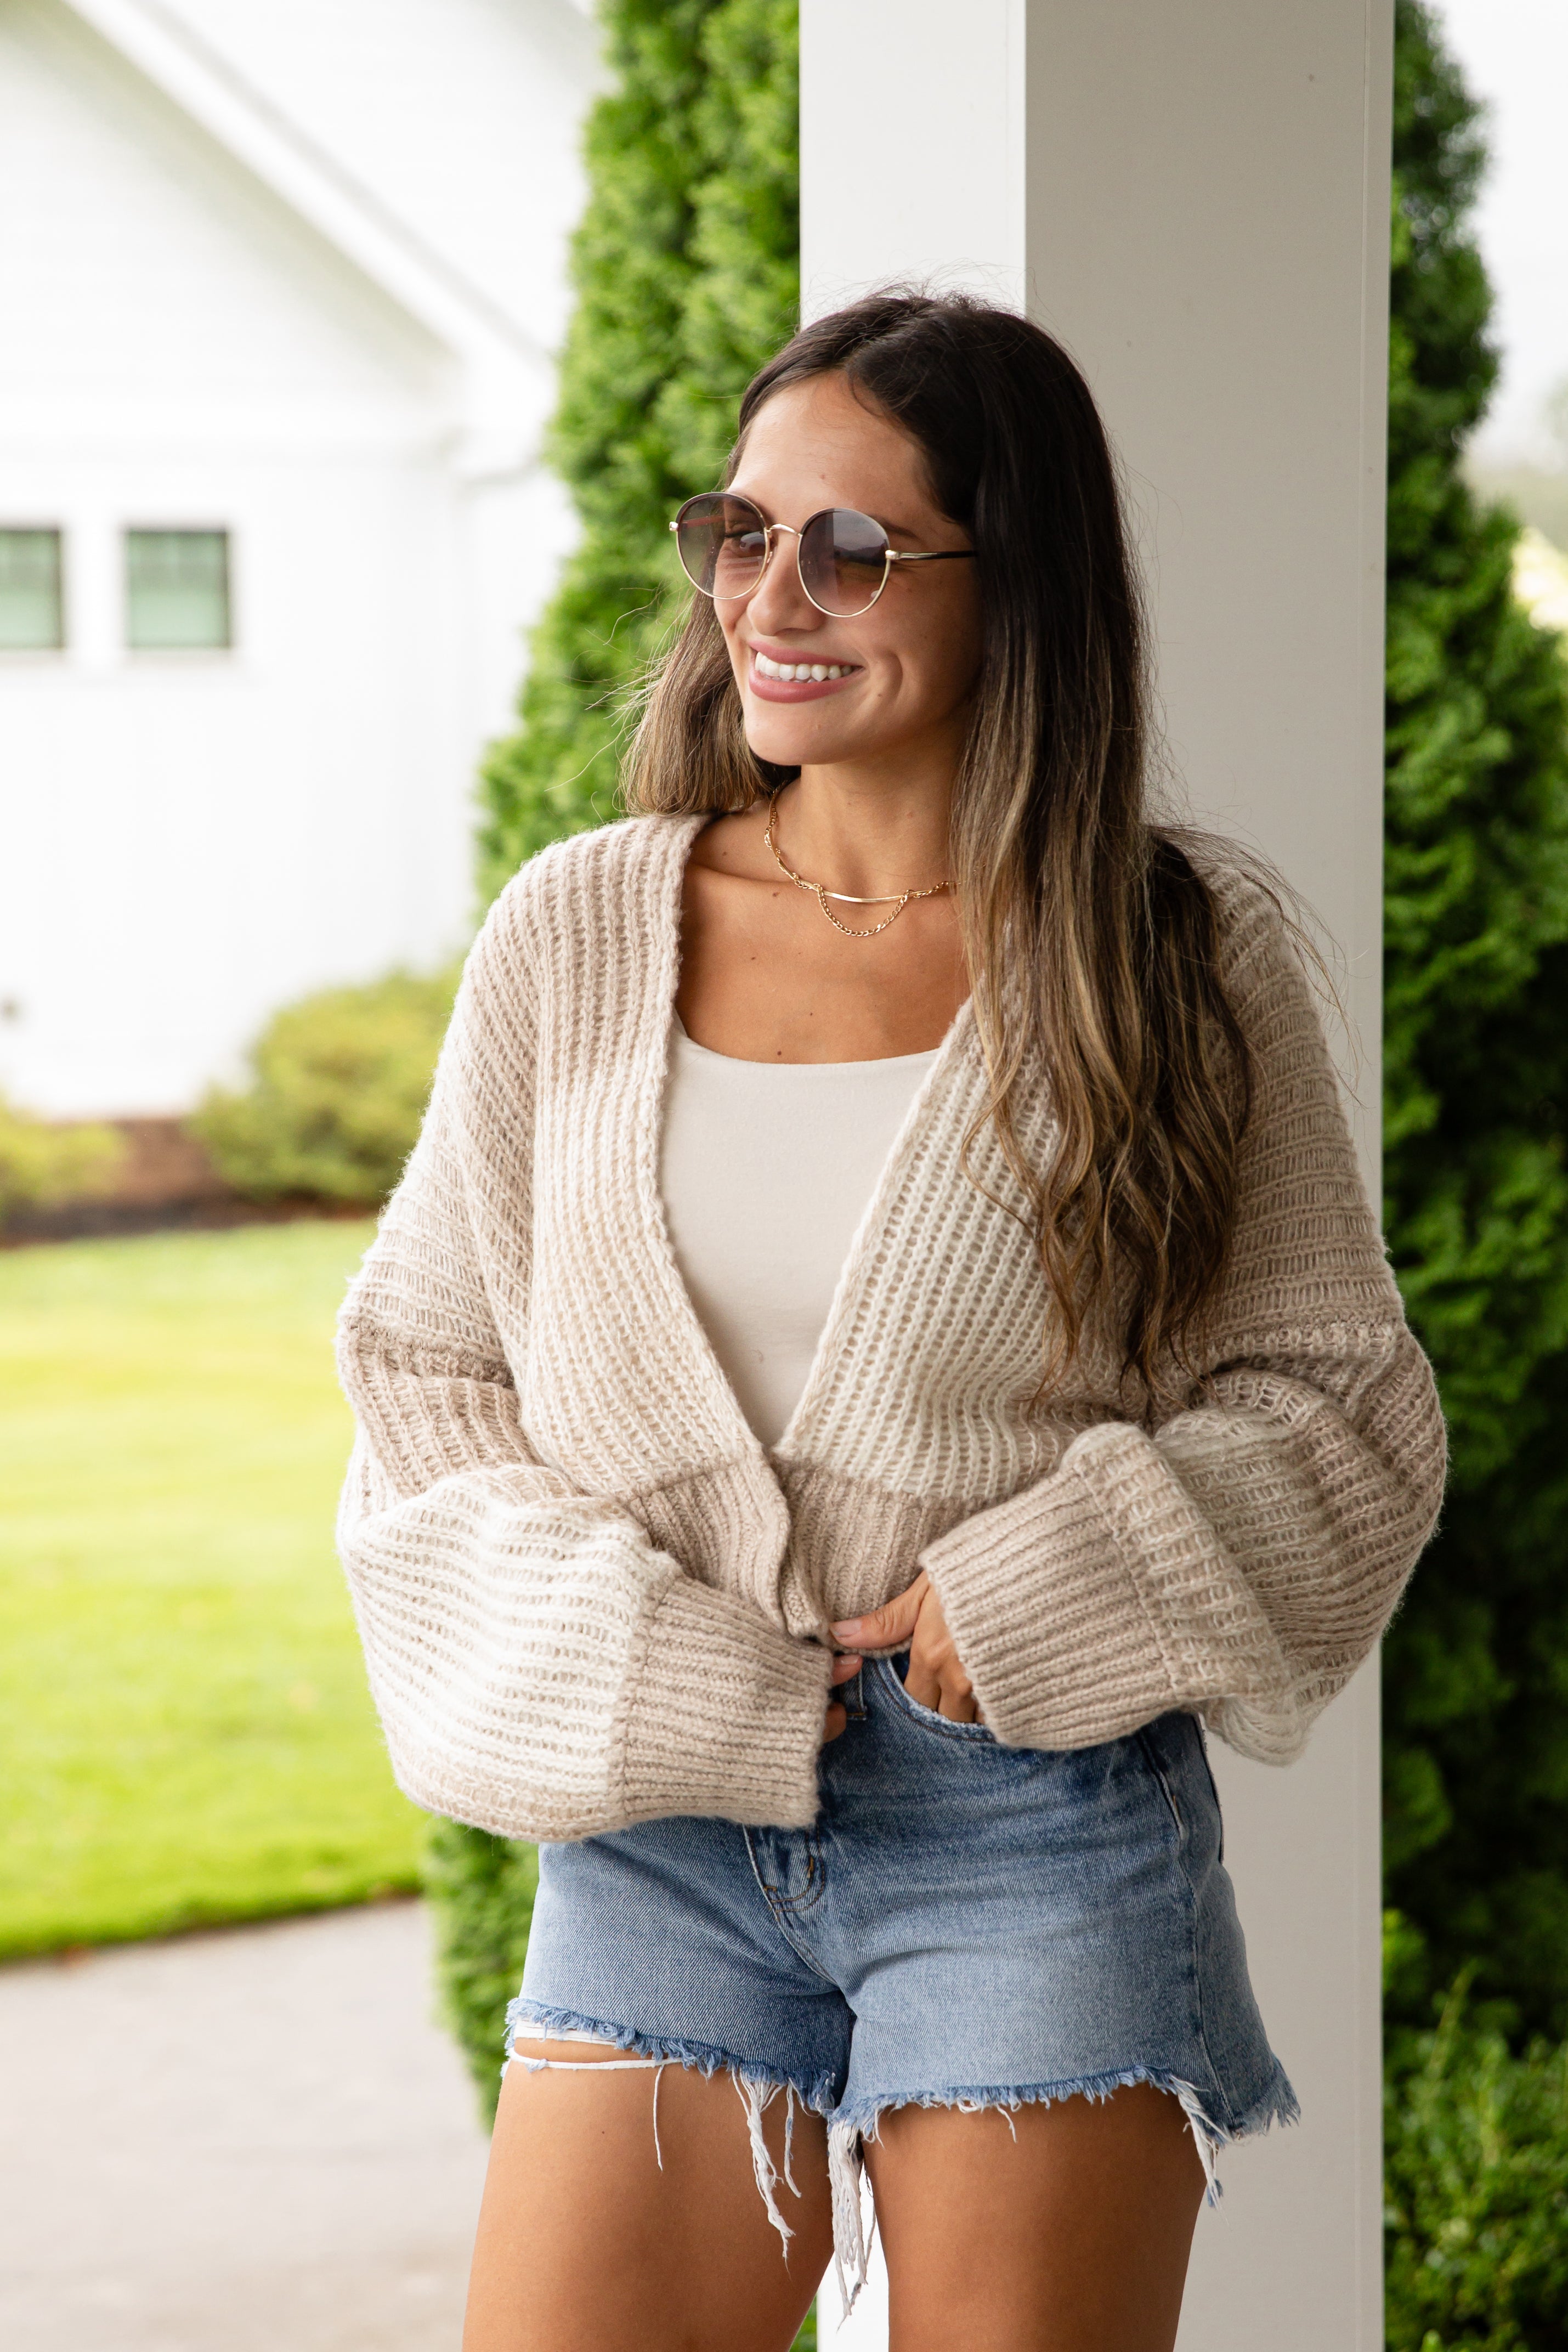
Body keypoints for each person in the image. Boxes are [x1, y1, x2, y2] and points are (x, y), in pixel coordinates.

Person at [336, 292, 1445, 2352]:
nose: (772, 599)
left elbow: (1339, 1403)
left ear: (1011, 577)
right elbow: (424, 1370)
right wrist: (637, 1652)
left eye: (850, 549)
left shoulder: (1166, 957)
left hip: (1029, 1823)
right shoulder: (580, 927)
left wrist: (1033, 1591)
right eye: (742, 534)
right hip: (661, 1830)